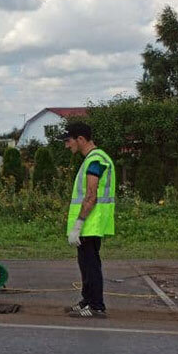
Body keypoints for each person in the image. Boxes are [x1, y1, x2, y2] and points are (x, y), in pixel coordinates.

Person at [63, 121, 115, 319]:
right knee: (85, 263)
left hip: (90, 222)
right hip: (90, 222)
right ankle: (87, 300)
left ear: (81, 139)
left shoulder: (95, 160)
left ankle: (96, 306)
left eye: (68, 141)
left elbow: (91, 196)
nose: (67, 145)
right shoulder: (92, 159)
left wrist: (78, 224)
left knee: (90, 264)